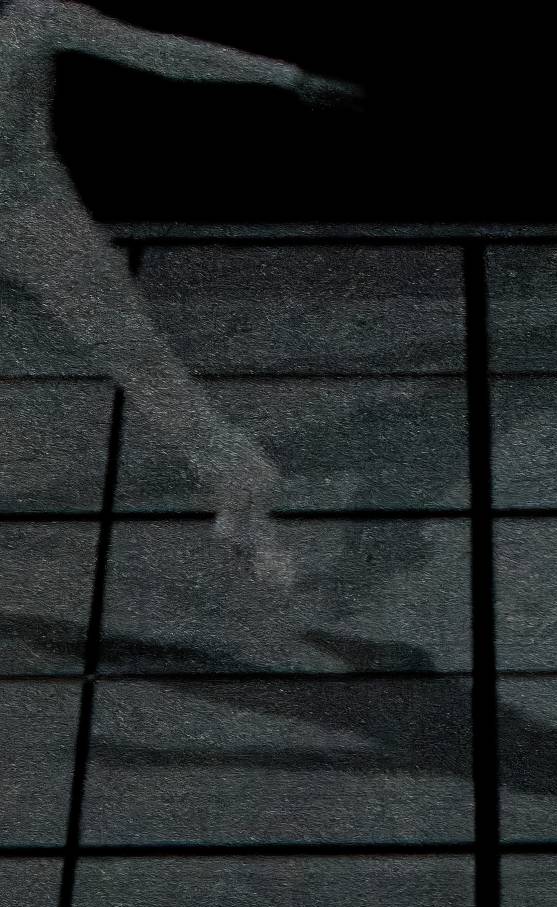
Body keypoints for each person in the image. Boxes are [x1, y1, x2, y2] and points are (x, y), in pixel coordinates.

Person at [0, 0, 362, 586]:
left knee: (143, 361)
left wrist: (283, 76)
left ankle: (243, 497)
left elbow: (160, 50)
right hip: (33, 216)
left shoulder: (36, 20)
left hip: (35, 219)